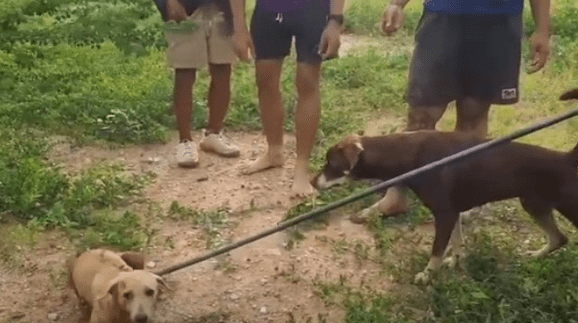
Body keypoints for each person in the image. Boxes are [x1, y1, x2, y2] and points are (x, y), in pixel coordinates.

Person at [352, 0, 551, 222]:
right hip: (444, 15)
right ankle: (396, 195)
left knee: (473, 113)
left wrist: (542, 30)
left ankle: (463, 196)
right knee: (421, 114)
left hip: (499, 21)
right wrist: (397, 4)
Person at [231, 0, 345, 196]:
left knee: (307, 81)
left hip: (312, 10)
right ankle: (274, 151)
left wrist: (335, 21)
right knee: (265, 80)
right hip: (269, 10)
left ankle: (301, 168)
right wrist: (239, 26)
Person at [154, 0, 241, 168]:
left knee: (223, 68)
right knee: (184, 72)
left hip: (223, 8)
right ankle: (185, 141)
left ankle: (213, 134)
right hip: (185, 8)